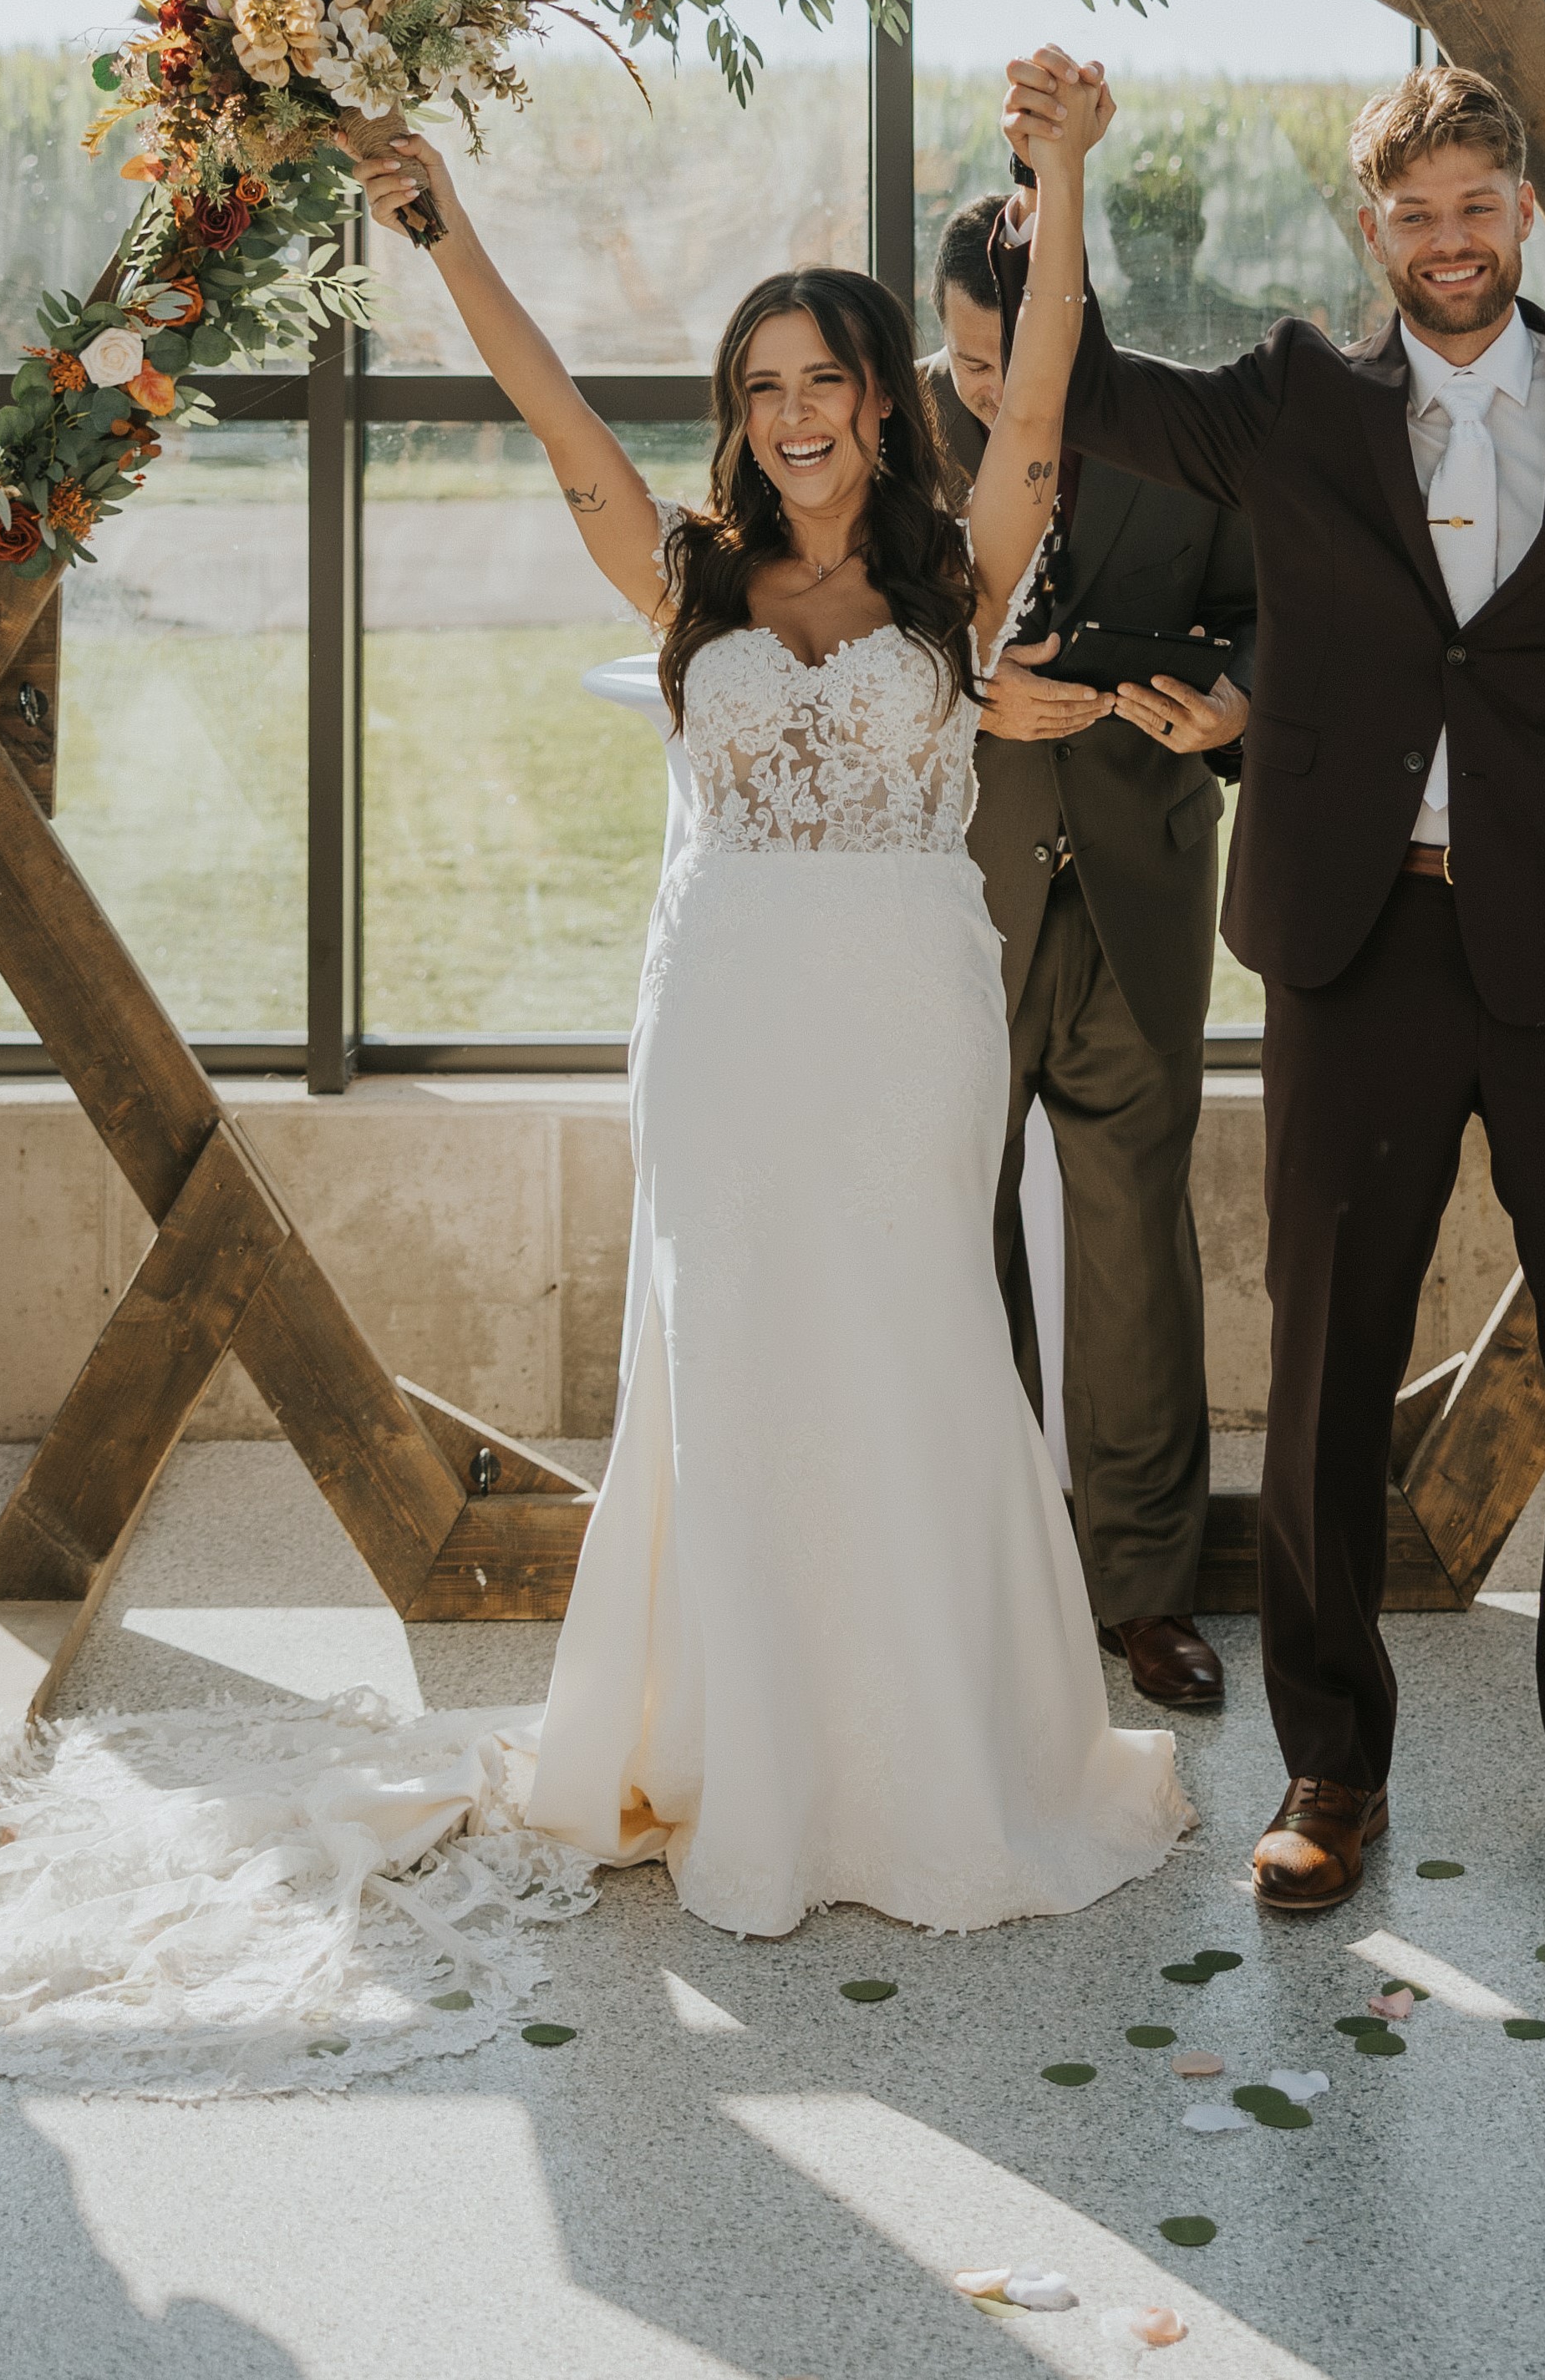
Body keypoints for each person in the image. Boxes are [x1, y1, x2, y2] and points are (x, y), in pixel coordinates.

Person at [343, 104, 1192, 1940]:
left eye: (823, 376)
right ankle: (733, 1759)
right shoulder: (686, 574)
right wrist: (446, 230)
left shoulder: (956, 575)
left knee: (909, 1344)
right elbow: (551, 408)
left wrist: (1062, 188)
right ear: (736, 414)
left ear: (881, 398)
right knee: (724, 1352)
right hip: (725, 1008)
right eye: (757, 383)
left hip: (903, 1009)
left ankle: (936, 1767)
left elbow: (1037, 400)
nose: (791, 408)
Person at [1003, 48, 1545, 1923]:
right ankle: (1328, 1767)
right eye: (1411, 212)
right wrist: (1054, 170)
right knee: (1323, 1366)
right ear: (1373, 228)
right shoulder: (1292, 399)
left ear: (1520, 210)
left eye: (1474, 207)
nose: (1445, 241)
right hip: (1354, 943)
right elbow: (1090, 386)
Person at [928, 186, 1258, 1715]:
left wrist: (1235, 704)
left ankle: (1146, 1598)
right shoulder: (876, 441)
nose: (996, 389)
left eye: (1021, 352)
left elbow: (1260, 612)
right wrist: (966, 695)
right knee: (948, 1241)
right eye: (970, 359)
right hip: (944, 908)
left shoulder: (1171, 426)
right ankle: (978, 1581)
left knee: (1136, 1253)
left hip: (1142, 888)